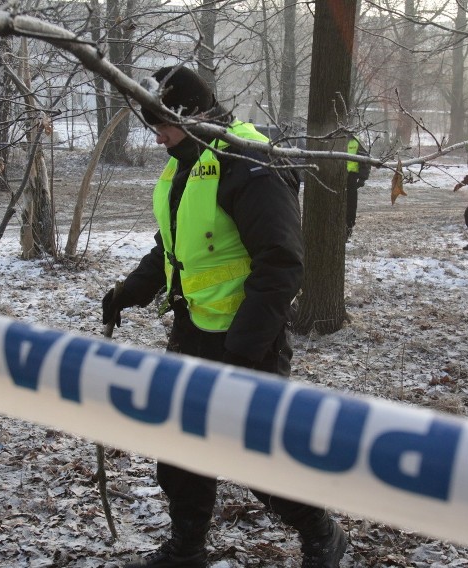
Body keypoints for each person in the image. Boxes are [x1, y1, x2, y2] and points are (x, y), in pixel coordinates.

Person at [101, 66, 348, 568]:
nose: (158, 137)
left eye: (163, 124)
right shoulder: (187, 162)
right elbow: (175, 248)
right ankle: (187, 549)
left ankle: (322, 534)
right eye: (152, 126)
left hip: (248, 341)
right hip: (193, 330)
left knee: (256, 453)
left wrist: (243, 347)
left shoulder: (248, 163)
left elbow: (282, 264)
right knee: (180, 449)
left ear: (194, 114)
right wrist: (127, 293)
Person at [345, 136, 371, 240]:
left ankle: (348, 230)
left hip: (351, 178)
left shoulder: (355, 141)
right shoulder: (333, 138)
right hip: (334, 177)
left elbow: (365, 159)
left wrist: (362, 178)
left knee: (350, 206)